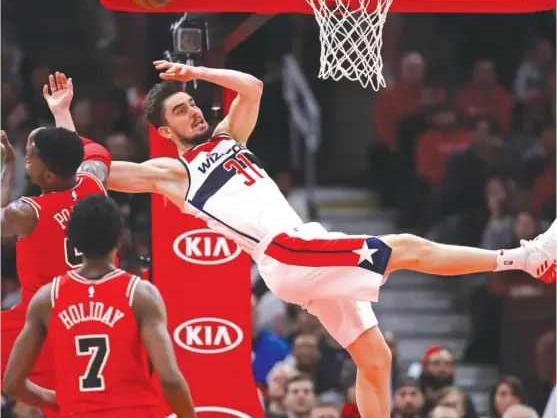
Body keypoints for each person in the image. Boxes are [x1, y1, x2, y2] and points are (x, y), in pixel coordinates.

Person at [48, 61, 557, 418]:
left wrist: (197, 74)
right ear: (164, 127)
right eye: (180, 111)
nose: (194, 112)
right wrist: (63, 116)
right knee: (405, 247)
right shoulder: (173, 172)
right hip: (284, 253)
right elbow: (98, 169)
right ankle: (527, 258)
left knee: (375, 360)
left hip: (304, 245)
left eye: (192, 104)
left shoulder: (228, 137)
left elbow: (251, 87)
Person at [3, 194, 196, 418]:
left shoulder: (47, 299)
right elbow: (170, 380)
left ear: (73, 241)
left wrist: (62, 401)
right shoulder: (140, 294)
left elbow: (13, 384)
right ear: (119, 240)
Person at [1, 73, 112, 418]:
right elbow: (82, 152)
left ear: (48, 174)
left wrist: (7, 169)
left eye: (29, 157)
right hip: (97, 313)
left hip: (45, 321)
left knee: (38, 393)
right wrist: (61, 112)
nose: (25, 159)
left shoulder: (27, 212)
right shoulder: (96, 179)